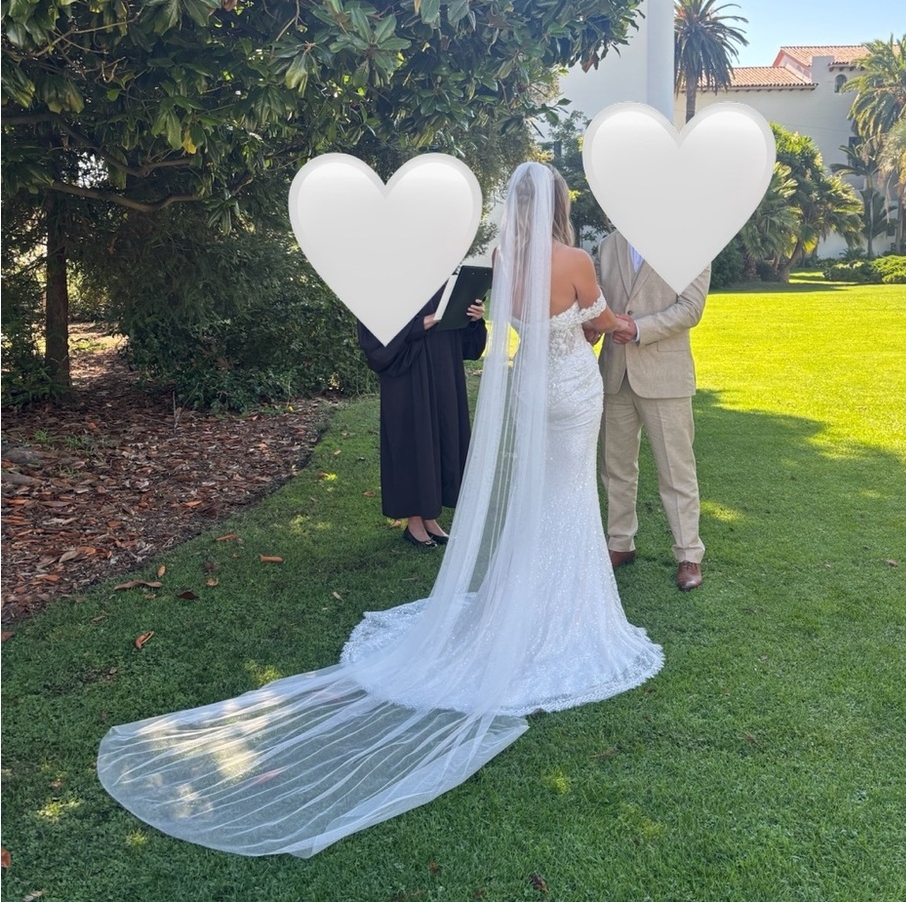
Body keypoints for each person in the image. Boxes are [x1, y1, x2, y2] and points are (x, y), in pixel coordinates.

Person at [96, 163, 663, 858]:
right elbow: (597, 320)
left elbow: (498, 320)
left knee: (539, 498)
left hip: (526, 393)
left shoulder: (501, 258)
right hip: (572, 391)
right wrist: (614, 324)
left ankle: (524, 599)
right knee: (570, 495)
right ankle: (564, 613)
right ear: (560, 205)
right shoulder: (573, 258)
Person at [593, 231, 710, 591]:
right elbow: (595, 299)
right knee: (615, 468)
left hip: (664, 375)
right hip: (614, 372)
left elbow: (691, 307)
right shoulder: (608, 244)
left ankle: (688, 554)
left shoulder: (690, 243)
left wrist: (640, 328)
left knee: (676, 470)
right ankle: (619, 543)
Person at [357, 292, 486, 547]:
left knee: (439, 433)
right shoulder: (386, 279)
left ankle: (429, 516)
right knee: (414, 437)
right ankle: (414, 521)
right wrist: (424, 322)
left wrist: (472, 318)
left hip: (442, 364)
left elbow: (466, 344)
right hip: (408, 370)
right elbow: (375, 335)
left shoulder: (442, 272)